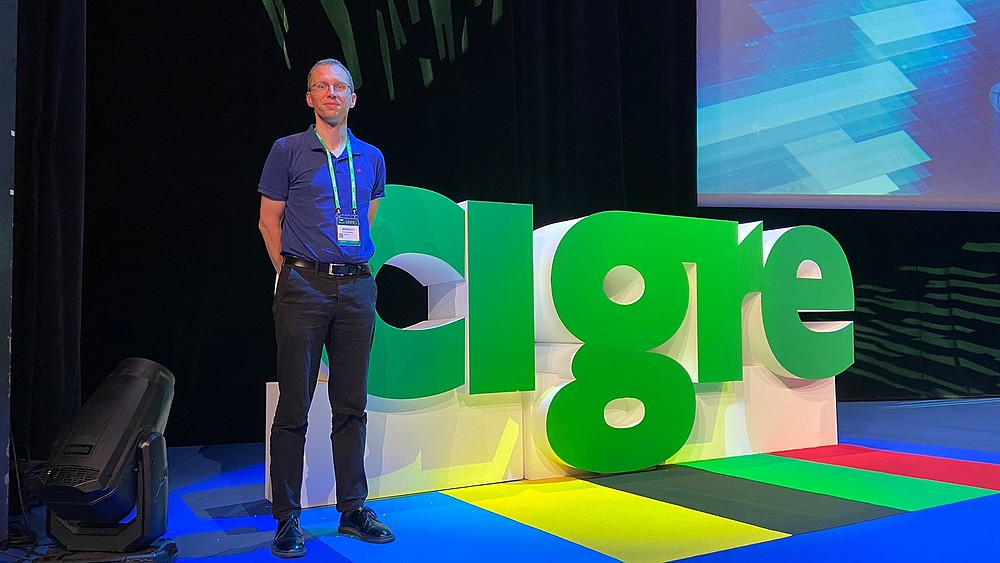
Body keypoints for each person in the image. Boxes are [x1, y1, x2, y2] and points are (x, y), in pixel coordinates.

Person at [258, 58, 394, 558]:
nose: (332, 93)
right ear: (310, 98)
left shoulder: (372, 156)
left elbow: (367, 216)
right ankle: (288, 518)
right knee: (294, 405)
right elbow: (268, 221)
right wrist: (287, 273)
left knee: (351, 403)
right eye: (322, 86)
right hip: (303, 287)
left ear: (352, 98)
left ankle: (353, 508)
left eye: (340, 87)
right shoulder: (287, 150)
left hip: (357, 289)